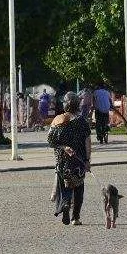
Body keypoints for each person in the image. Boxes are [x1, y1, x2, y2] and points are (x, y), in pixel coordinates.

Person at [48, 93, 92, 225]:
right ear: (77, 105)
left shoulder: (57, 120)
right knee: (78, 188)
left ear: (65, 104)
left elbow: (50, 141)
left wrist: (63, 147)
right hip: (78, 162)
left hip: (62, 161)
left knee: (65, 187)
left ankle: (66, 204)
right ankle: (75, 218)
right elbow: (88, 142)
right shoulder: (82, 121)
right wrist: (87, 160)